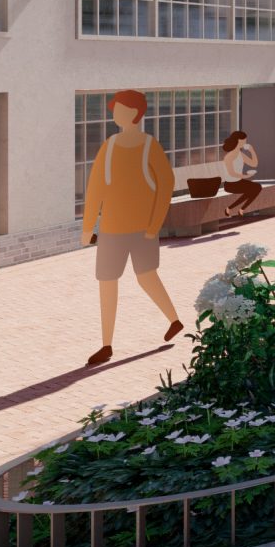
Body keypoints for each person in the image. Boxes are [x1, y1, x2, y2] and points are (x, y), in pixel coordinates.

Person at [81, 90, 183, 366]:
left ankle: (174, 319)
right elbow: (96, 188)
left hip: (142, 230)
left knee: (147, 277)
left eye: (120, 109)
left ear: (135, 113)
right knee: (107, 283)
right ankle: (106, 345)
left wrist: (154, 225)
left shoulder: (150, 147)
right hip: (112, 229)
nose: (114, 113)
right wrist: (88, 225)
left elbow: (166, 185)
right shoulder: (109, 146)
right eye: (114, 109)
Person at [218, 131, 264, 215]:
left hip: (239, 182)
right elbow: (231, 173)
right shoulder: (229, 157)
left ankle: (236, 209)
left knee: (257, 187)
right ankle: (236, 209)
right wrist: (246, 176)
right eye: (244, 141)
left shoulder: (240, 154)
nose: (245, 143)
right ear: (238, 141)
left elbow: (254, 164)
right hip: (230, 184)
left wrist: (252, 150)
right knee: (255, 188)